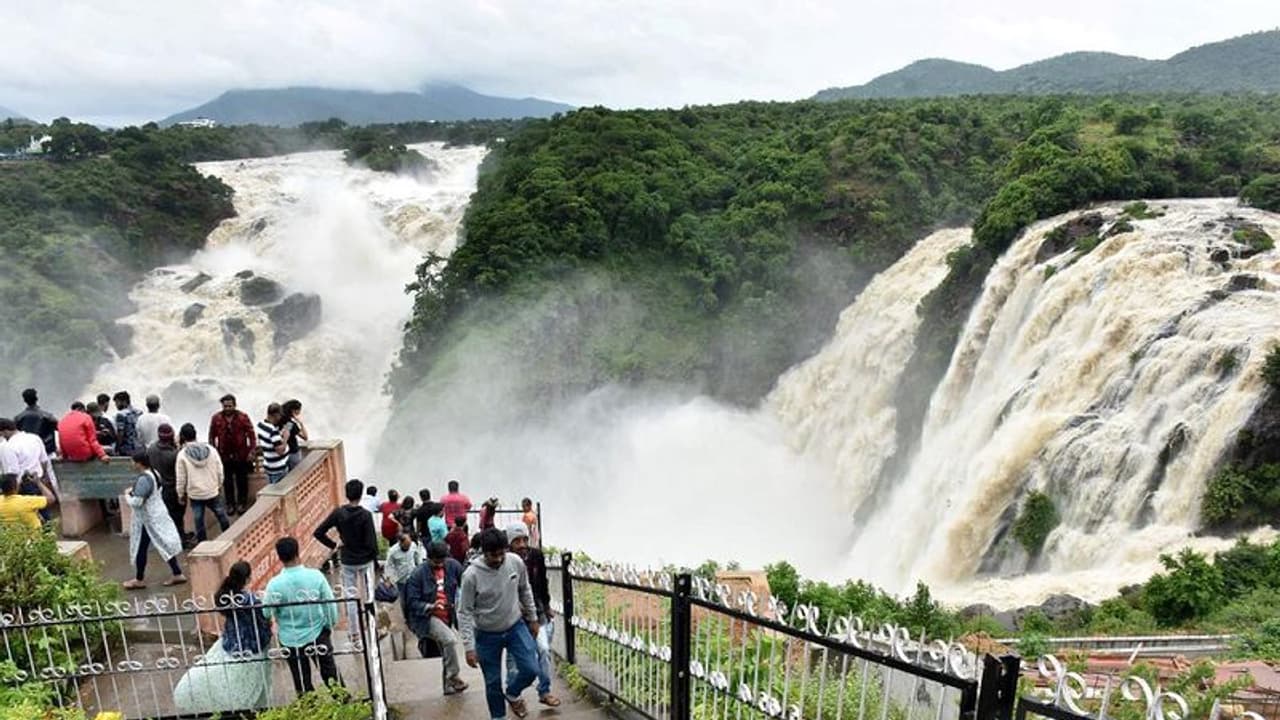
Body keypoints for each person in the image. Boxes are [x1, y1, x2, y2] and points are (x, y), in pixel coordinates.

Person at [458, 528, 542, 720]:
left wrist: (533, 618)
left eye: (501, 554)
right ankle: (498, 716)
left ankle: (512, 693)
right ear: (483, 552)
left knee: (531, 669)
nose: (497, 559)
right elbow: (464, 612)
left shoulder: (515, 562)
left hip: (515, 627)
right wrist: (469, 647)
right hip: (486, 634)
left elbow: (525, 590)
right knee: (493, 682)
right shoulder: (471, 575)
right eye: (492, 555)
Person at [173, 561, 273, 713]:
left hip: (232, 641)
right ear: (247, 579)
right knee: (255, 680)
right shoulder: (249, 600)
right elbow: (264, 618)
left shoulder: (225, 596)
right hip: (252, 644)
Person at [263, 537, 340, 697]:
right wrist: (329, 624)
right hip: (317, 632)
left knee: (302, 681)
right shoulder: (315, 576)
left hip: (290, 638)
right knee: (331, 675)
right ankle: (344, 704)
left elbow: (266, 612)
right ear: (298, 553)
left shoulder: (275, 584)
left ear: (279, 557)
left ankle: (309, 709)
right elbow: (330, 605)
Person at [403, 541, 469, 696]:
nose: (440, 564)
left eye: (442, 560)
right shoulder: (417, 575)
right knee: (450, 640)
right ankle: (453, 678)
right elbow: (411, 602)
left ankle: (448, 687)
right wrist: (431, 606)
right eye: (436, 561)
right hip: (426, 617)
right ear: (429, 558)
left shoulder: (452, 566)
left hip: (447, 615)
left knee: (447, 651)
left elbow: (467, 581)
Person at [314, 479, 378, 635]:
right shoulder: (366, 515)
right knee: (369, 595)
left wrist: (334, 545)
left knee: (351, 597)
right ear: (361, 494)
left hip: (347, 560)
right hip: (365, 560)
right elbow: (372, 543)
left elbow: (318, 532)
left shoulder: (338, 513)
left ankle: (354, 632)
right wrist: (373, 559)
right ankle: (371, 628)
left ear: (347, 494)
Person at [505, 524, 559, 707]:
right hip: (513, 616)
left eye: (524, 540)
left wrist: (547, 606)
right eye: (517, 541)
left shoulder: (536, 556)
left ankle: (544, 691)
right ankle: (513, 694)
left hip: (536, 610)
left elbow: (542, 582)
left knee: (543, 649)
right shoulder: (504, 560)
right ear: (509, 543)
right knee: (513, 658)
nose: (522, 544)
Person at [122, 451, 186, 590]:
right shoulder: (155, 473)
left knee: (142, 547)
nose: (131, 464)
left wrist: (127, 496)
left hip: (148, 519)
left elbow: (138, 502)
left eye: (133, 461)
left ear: (139, 463)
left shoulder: (144, 479)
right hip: (157, 514)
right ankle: (177, 573)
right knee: (163, 545)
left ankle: (139, 579)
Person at [175, 423, 231, 543]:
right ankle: (229, 536)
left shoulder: (182, 455)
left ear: (182, 437)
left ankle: (203, 543)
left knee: (198, 519)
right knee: (221, 514)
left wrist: (180, 494)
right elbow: (220, 469)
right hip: (212, 490)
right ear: (196, 435)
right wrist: (219, 485)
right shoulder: (211, 450)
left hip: (195, 494)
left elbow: (181, 478)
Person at [0, 418, 58, 522]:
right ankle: (48, 535)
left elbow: (13, 472)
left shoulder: (8, 446)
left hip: (23, 485)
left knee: (27, 516)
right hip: (38, 479)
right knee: (44, 511)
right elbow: (44, 461)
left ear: (5, 431)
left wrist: (13, 492)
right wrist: (42, 479)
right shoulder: (34, 438)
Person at [209, 394, 256, 515]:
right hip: (224, 456)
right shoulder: (216, 418)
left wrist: (252, 451)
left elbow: (251, 435)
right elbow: (211, 436)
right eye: (225, 406)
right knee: (227, 481)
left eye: (230, 406)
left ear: (234, 405)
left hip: (241, 455)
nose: (227, 408)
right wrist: (214, 452)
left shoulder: (243, 417)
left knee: (242, 481)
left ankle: (242, 503)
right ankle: (230, 504)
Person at [148, 424, 189, 547]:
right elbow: (181, 474)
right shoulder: (175, 454)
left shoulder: (151, 449)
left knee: (166, 517)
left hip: (158, 488)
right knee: (177, 517)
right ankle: (181, 540)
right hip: (172, 490)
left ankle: (169, 539)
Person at [14, 388, 58, 455]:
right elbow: (60, 429)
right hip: (46, 451)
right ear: (37, 398)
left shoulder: (18, 418)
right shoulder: (48, 417)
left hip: (26, 452)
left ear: (24, 400)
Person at [256, 403, 289, 485]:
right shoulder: (273, 431)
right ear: (276, 415)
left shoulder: (260, 425)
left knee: (271, 488)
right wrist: (285, 438)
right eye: (280, 415)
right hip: (278, 468)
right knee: (279, 491)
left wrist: (279, 436)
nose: (280, 417)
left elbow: (268, 441)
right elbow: (280, 451)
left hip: (268, 465)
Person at [113, 391, 144, 457]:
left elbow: (120, 433)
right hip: (139, 448)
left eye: (117, 402)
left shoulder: (121, 415)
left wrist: (117, 449)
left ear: (124, 402)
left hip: (126, 449)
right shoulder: (139, 412)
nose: (116, 405)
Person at [280, 399, 307, 470]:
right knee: (296, 473)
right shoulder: (291, 424)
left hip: (282, 454)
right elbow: (305, 437)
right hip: (293, 452)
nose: (300, 412)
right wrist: (301, 423)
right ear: (293, 411)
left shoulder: (280, 421)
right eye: (299, 410)